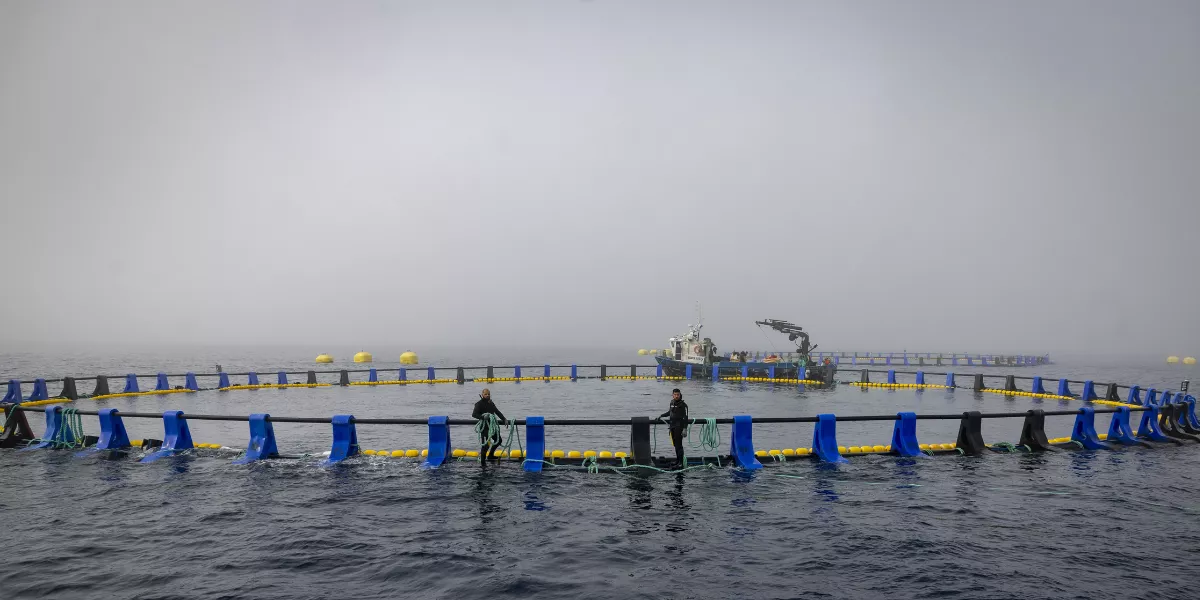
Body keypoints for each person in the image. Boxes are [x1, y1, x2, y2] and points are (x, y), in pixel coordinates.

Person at [472, 388, 506, 460]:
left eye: (488, 394)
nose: (487, 395)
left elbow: (497, 412)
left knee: (499, 440)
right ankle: (483, 463)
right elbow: (474, 414)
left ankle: (490, 455)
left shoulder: (491, 403)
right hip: (484, 429)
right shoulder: (479, 404)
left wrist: (504, 419)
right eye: (485, 394)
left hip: (492, 427)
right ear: (482, 395)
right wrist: (483, 417)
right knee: (485, 446)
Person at [658, 388, 689, 468]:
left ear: (680, 395)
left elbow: (686, 418)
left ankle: (681, 462)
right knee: (675, 445)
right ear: (672, 395)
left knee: (679, 445)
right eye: (675, 395)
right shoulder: (672, 402)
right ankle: (677, 461)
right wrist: (661, 415)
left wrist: (685, 428)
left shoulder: (683, 405)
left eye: (677, 395)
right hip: (672, 426)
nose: (676, 396)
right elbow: (669, 412)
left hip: (679, 427)